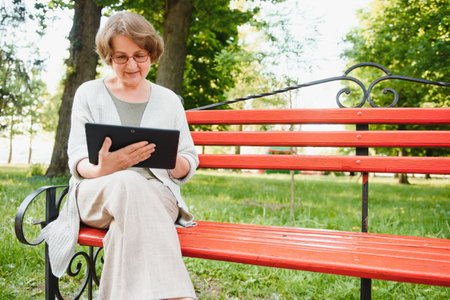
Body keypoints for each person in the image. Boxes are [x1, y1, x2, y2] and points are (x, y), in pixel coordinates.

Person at [41, 11, 198, 300]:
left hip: (157, 195)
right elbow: (76, 158)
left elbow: (189, 160)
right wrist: (103, 168)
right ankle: (177, 296)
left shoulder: (168, 100)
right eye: (121, 57)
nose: (131, 65)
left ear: (152, 53)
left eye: (139, 55)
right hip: (96, 192)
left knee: (123, 230)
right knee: (126, 181)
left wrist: (172, 159)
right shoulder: (88, 93)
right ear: (108, 57)